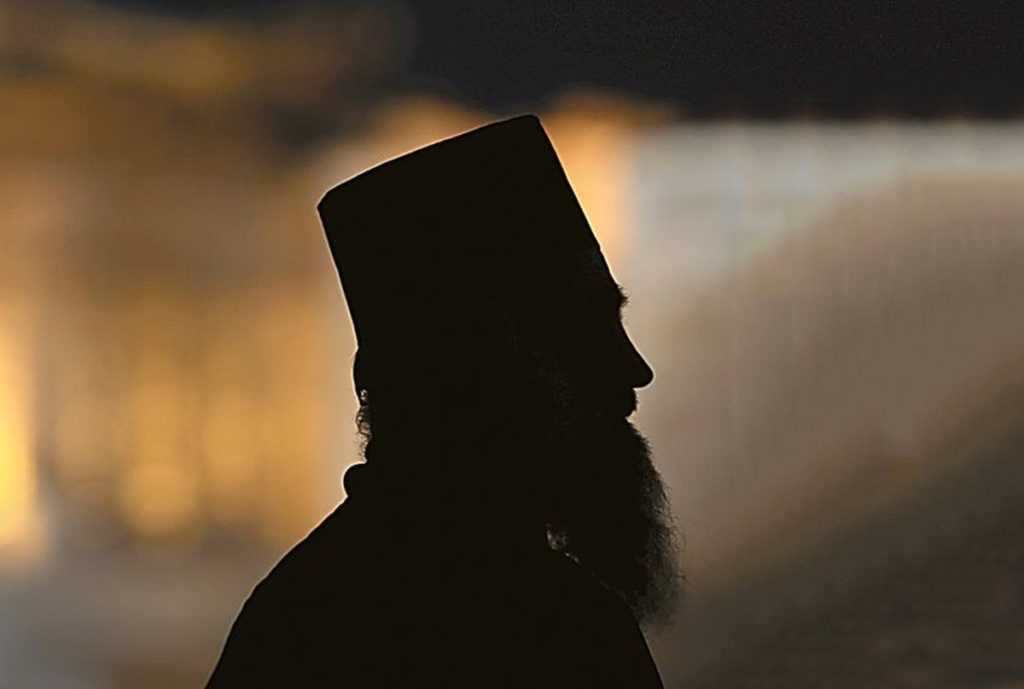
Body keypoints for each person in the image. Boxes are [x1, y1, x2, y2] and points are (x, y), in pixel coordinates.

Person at [205, 114, 680, 688]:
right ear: (476, 369)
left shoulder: (295, 619)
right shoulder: (561, 630)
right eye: (584, 333)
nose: (633, 370)